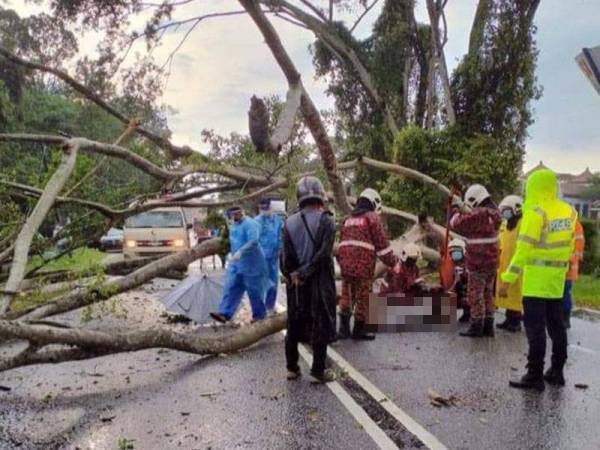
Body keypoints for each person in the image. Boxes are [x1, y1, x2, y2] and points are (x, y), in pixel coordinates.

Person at [499, 169, 577, 391]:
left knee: (535, 331)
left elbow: (522, 251)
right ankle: (557, 371)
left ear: (533, 188)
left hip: (535, 283)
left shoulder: (536, 213)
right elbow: (569, 246)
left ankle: (534, 376)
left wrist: (506, 279)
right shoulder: (568, 212)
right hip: (556, 281)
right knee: (557, 327)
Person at [282, 176, 337, 384]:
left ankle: (292, 367)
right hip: (319, 283)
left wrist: (294, 275)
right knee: (320, 324)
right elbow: (323, 255)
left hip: (296, 283)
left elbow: (285, 258)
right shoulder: (327, 221)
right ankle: (318, 371)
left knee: (294, 323)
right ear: (320, 195)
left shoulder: (288, 223)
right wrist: (306, 273)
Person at [336, 188, 398, 341]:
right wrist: (394, 262)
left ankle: (343, 329)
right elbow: (382, 246)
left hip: (346, 265)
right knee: (364, 296)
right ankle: (359, 330)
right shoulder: (372, 218)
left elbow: (342, 244)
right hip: (363, 266)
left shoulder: (347, 219)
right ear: (374, 202)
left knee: (347, 294)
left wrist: (343, 263)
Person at [450, 184, 502, 337]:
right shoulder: (496, 213)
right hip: (492, 261)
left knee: (475, 294)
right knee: (487, 293)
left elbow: (455, 223)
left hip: (477, 261)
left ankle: (476, 325)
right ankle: (488, 325)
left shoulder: (477, 215)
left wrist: (457, 209)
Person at [210, 206, 268, 323]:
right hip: (237, 264)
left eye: (236, 214)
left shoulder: (251, 224)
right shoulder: (234, 226)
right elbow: (233, 243)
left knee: (255, 292)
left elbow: (253, 241)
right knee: (231, 287)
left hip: (253, 264)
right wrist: (232, 255)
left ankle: (259, 317)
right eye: (232, 215)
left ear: (242, 213)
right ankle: (225, 313)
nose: (234, 217)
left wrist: (241, 251)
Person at [495, 195, 524, 333]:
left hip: (517, 265)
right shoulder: (507, 224)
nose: (504, 213)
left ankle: (516, 320)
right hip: (505, 263)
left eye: (506, 210)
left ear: (516, 209)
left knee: (516, 293)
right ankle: (509, 318)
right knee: (507, 293)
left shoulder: (522, 224)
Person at [256, 198, 284, 314]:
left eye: (266, 208)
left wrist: (280, 248)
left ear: (270, 208)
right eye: (262, 209)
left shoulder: (277, 221)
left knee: (273, 283)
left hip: (273, 257)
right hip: (260, 258)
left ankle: (270, 306)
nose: (264, 211)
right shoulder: (256, 221)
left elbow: (281, 236)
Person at [563, 220, 585, 328]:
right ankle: (564, 319)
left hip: (567, 266)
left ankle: (564, 319)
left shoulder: (572, 224)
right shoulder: (575, 224)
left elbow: (577, 246)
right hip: (568, 265)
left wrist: (570, 261)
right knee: (565, 294)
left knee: (564, 294)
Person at [448, 239, 470, 323]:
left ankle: (468, 313)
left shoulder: (468, 263)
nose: (454, 254)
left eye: (456, 251)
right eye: (452, 252)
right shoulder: (455, 264)